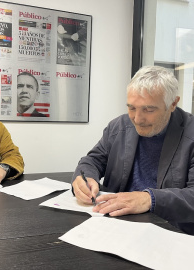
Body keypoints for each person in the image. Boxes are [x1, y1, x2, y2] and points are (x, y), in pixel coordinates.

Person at [72, 65, 194, 235]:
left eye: (149, 109)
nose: (137, 119)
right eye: (131, 108)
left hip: (170, 232)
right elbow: (92, 160)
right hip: (114, 225)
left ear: (173, 103)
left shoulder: (191, 133)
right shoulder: (119, 126)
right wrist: (84, 178)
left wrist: (150, 199)